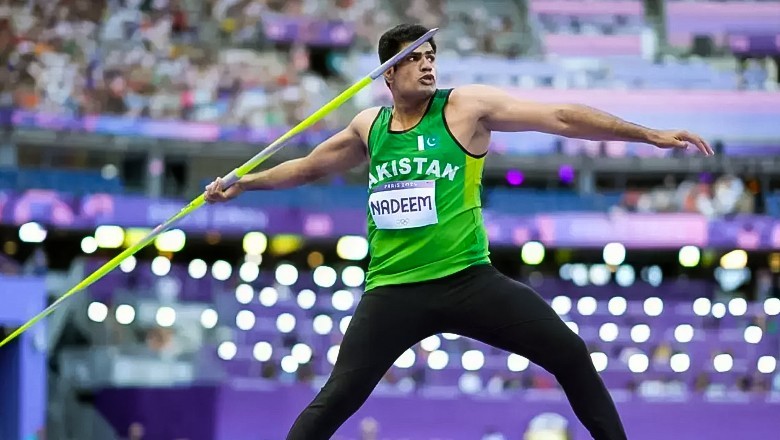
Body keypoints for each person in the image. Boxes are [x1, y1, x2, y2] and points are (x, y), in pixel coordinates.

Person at [204, 24, 713, 440]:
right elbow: (310, 166)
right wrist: (244, 183)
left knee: (570, 354)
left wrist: (646, 134)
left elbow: (558, 116)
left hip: (467, 280)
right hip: (393, 290)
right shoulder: (369, 126)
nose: (428, 64)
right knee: (338, 398)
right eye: (414, 57)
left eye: (431, 56)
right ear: (388, 73)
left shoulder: (464, 108)